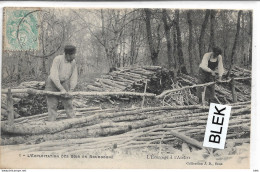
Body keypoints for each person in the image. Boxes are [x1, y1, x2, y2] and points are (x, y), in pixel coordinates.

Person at [45, 45, 78, 121]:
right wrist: (61, 89)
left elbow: (74, 76)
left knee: (68, 102)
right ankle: (51, 124)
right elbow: (54, 76)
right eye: (73, 54)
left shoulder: (73, 62)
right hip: (52, 83)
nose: (75, 56)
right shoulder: (58, 59)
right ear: (68, 54)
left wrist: (71, 90)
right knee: (52, 105)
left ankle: (73, 121)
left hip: (63, 82)